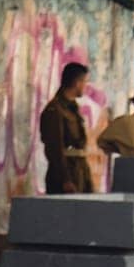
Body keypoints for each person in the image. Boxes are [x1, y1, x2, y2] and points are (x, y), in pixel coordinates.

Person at [40, 62, 93, 194]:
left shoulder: (72, 108)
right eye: (84, 82)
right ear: (77, 82)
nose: (85, 87)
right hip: (65, 174)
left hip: (79, 169)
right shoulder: (55, 109)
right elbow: (54, 147)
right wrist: (65, 179)